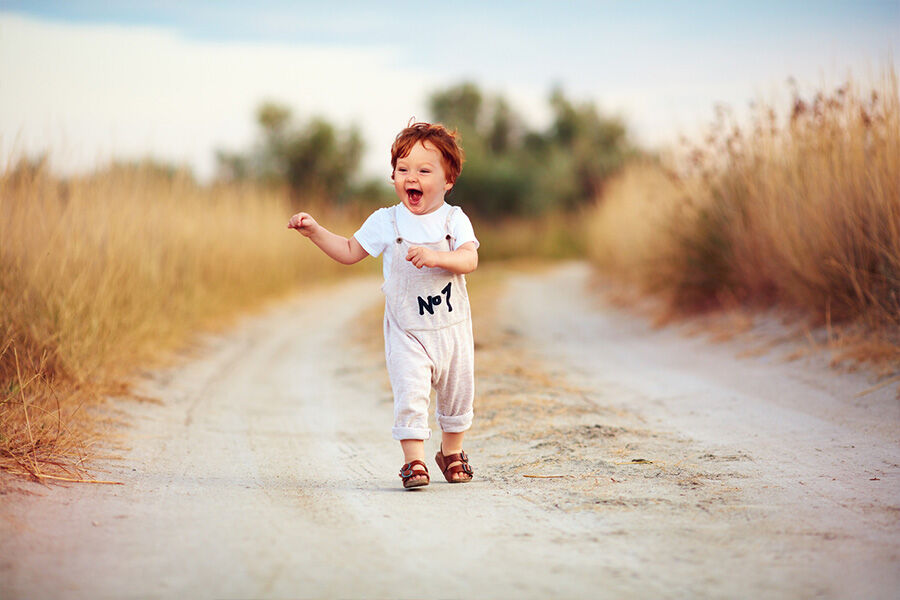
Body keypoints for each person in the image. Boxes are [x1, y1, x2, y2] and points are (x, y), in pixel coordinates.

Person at [287, 122, 478, 489]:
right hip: (407, 331)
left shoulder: (455, 220)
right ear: (393, 176)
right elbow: (348, 251)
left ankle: (452, 451)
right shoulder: (386, 221)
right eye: (403, 169)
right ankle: (415, 461)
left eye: (424, 170)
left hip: (451, 329)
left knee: (458, 395)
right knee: (411, 392)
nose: (412, 177)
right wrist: (315, 232)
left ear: (448, 180)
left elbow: (469, 260)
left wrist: (438, 258)